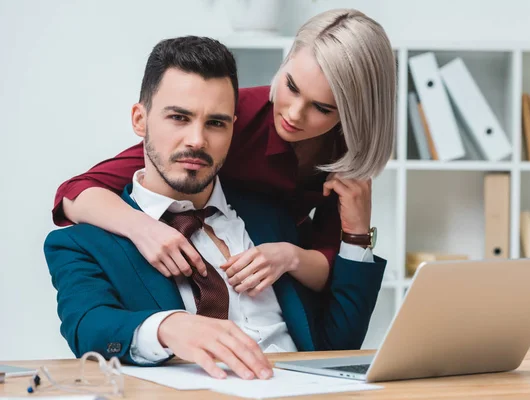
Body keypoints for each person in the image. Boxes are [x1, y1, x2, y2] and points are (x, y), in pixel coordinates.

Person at [44, 35, 386, 381]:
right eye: (179, 117)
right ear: (140, 120)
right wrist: (170, 328)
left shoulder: (273, 220)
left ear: (233, 130)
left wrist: (358, 233)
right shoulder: (82, 244)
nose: (196, 140)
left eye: (216, 123)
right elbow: (88, 327)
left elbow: (339, 343)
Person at [50, 8, 396, 295]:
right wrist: (146, 229)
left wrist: (294, 256)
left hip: (283, 293)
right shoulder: (227, 117)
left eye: (322, 108)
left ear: (351, 114)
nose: (292, 114)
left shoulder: (348, 154)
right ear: (286, 60)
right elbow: (75, 193)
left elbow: (336, 277)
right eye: (291, 86)